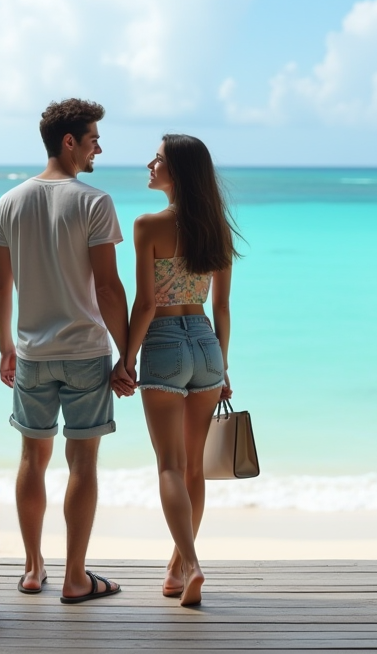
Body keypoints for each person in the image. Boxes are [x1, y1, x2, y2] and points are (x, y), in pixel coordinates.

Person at [0, 98, 132, 604]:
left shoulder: (9, 202)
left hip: (32, 352)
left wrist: (6, 346)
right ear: (69, 142)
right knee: (83, 462)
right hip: (86, 351)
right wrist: (127, 354)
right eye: (93, 139)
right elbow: (109, 288)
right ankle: (75, 577)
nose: (98, 149)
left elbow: (0, 287)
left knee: (33, 457)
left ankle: (32, 569)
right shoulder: (95, 202)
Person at [112, 134, 239, 608]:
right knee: (194, 469)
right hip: (206, 344)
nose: (150, 164)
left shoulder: (148, 225)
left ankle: (191, 563)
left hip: (164, 343)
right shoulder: (217, 229)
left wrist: (126, 359)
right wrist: (223, 365)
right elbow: (222, 307)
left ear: (178, 170)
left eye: (159, 159)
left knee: (169, 464)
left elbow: (146, 304)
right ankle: (175, 568)